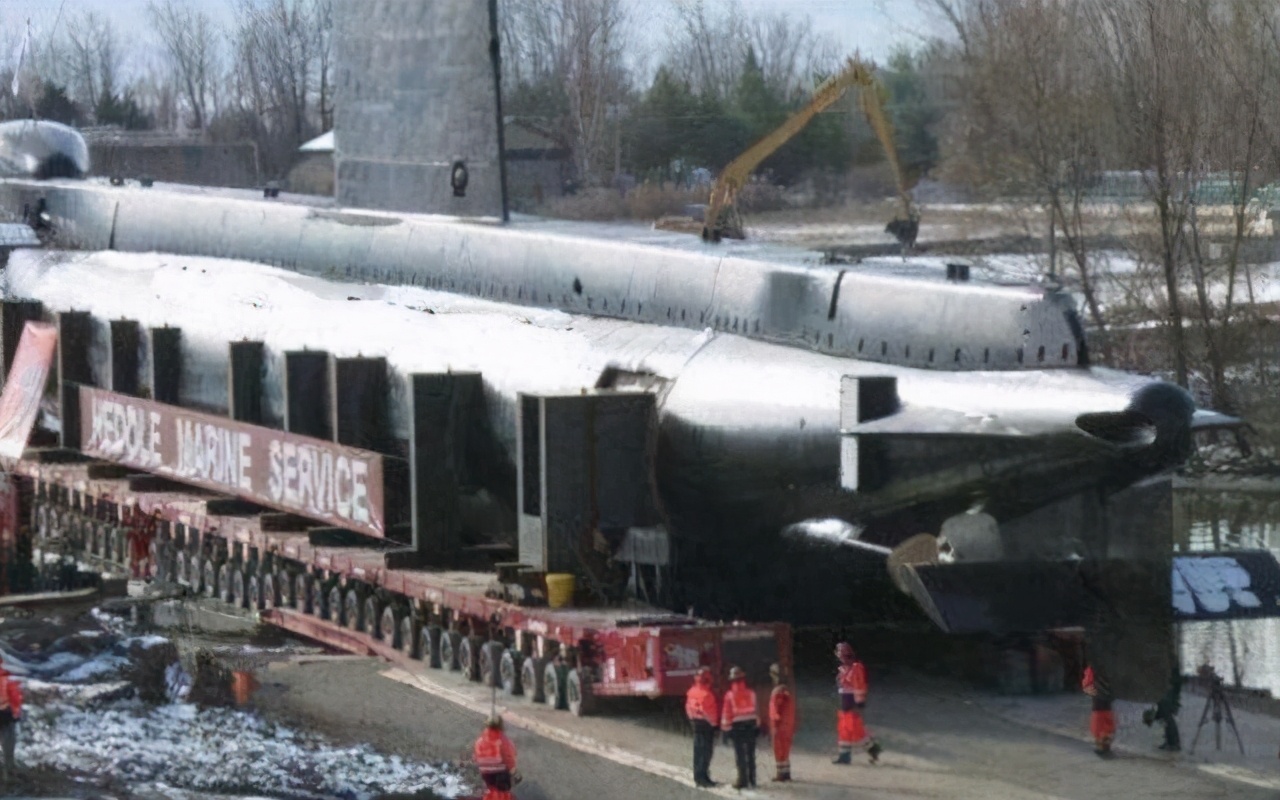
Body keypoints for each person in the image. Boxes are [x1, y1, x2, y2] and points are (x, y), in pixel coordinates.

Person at [834, 642, 882, 764]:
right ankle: (845, 755)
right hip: (844, 702)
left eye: (843, 652)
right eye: (839, 652)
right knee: (844, 729)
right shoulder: (843, 669)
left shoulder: (856, 668)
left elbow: (860, 687)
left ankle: (872, 749)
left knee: (855, 730)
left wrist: (859, 705)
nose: (841, 655)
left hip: (852, 703)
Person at [720, 666, 759, 790]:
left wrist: (725, 731)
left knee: (740, 754)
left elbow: (727, 714)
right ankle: (752, 780)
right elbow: (756, 711)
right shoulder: (751, 693)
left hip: (737, 727)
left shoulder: (730, 695)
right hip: (751, 726)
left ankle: (742, 780)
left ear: (732, 680)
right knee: (751, 754)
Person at [684, 665, 719, 788]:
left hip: (696, 724)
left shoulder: (692, 691)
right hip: (706, 725)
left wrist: (692, 720)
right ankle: (704, 778)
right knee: (706, 752)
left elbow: (688, 708)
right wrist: (714, 724)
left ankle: (699, 777)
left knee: (698, 752)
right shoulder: (707, 694)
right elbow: (707, 712)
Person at [473, 715, 519, 800]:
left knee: (491, 787)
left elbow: (476, 757)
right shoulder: (504, 740)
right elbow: (510, 758)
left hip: (485, 772)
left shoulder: (479, 741)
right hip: (501, 773)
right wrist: (512, 769)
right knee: (503, 789)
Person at [768, 662, 795, 782]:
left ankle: (781, 774)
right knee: (785, 749)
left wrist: (775, 723)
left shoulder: (777, 691)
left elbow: (776, 710)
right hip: (788, 725)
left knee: (779, 749)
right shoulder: (786, 690)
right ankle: (786, 772)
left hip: (779, 725)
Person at [1143, 667, 1181, 752]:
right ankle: (1170, 741)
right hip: (1165, 684)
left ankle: (1174, 743)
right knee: (1164, 715)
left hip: (1169, 685)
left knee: (1167, 715)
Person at [1082, 664, 1116, 758]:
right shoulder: (1110, 664)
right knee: (1106, 716)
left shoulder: (1094, 665)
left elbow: (1088, 679)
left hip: (1098, 694)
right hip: (1107, 694)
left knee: (1099, 719)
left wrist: (1086, 687)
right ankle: (1105, 744)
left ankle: (1101, 745)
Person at [0, 658, 22, 782]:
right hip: (5, 713)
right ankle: (9, 769)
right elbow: (15, 695)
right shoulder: (7, 676)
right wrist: (16, 712)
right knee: (8, 743)